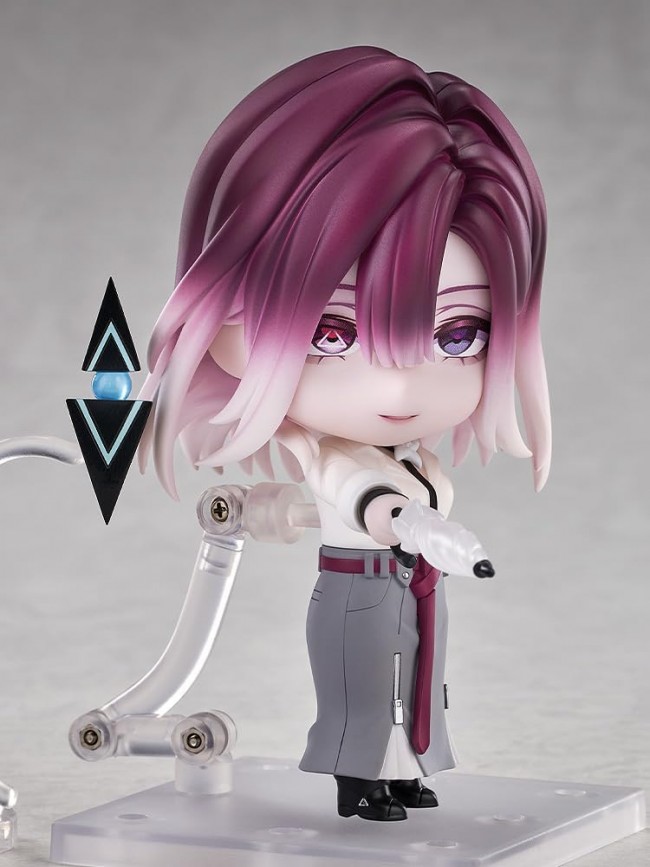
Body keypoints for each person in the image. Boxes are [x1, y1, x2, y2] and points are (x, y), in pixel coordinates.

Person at [138, 46, 551, 821]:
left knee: (420, 682)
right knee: (365, 689)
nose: (397, 388)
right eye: (333, 334)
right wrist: (414, 522)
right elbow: (369, 502)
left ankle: (409, 771)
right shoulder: (334, 459)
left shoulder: (414, 457)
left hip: (415, 585)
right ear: (227, 321)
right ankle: (360, 782)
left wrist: (429, 530)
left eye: (458, 335)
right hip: (359, 587)